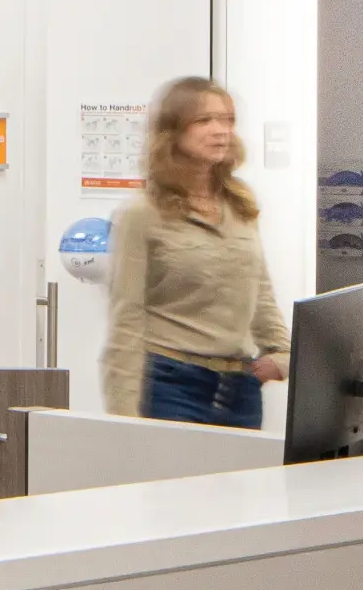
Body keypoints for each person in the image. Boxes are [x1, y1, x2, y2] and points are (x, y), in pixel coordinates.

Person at [104, 73, 291, 426]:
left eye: (227, 120)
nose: (220, 130)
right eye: (204, 120)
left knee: (244, 482)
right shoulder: (142, 214)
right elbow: (126, 321)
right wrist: (122, 422)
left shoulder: (239, 205)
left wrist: (280, 351)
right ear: (173, 131)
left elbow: (259, 289)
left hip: (239, 389)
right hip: (170, 384)